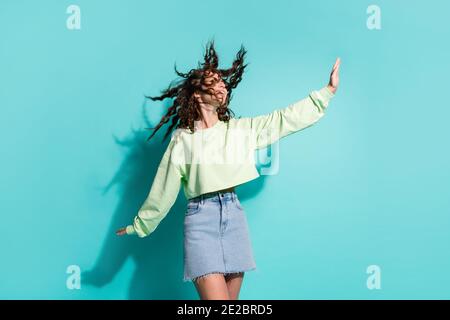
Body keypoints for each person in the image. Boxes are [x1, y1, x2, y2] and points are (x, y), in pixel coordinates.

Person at [116, 40, 341, 300]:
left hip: (233, 216)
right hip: (201, 220)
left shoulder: (238, 130)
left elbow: (281, 120)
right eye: (214, 81)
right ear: (198, 94)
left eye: (223, 81)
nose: (222, 83)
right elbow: (164, 188)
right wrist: (140, 225)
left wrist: (327, 92)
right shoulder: (183, 139)